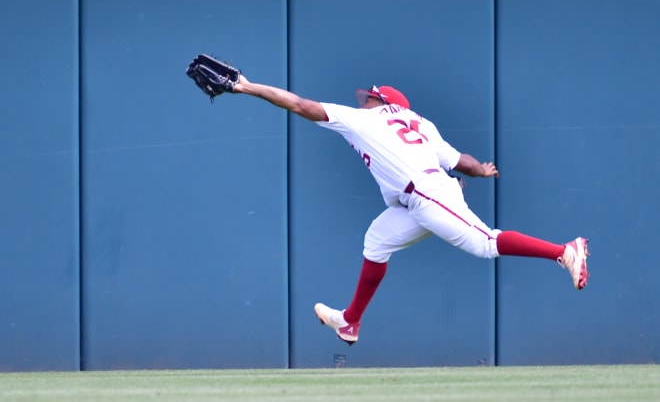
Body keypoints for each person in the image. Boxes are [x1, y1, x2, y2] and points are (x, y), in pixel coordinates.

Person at [231, 76, 589, 345]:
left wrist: (247, 87)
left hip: (428, 195)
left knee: (485, 243)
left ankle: (564, 252)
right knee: (376, 242)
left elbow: (297, 103)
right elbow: (458, 160)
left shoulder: (364, 120)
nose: (364, 102)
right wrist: (481, 169)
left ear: (382, 102)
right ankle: (350, 321)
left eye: (369, 98)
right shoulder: (421, 123)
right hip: (421, 198)